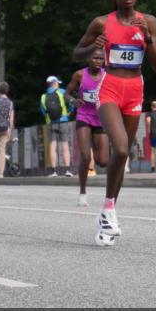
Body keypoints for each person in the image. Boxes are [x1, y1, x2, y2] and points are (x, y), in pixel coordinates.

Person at [73, 0, 156, 245]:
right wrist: (93, 46)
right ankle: (108, 211)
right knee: (122, 147)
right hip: (110, 86)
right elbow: (76, 53)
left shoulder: (149, 22)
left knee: (123, 157)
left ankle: (107, 211)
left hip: (135, 88)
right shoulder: (102, 22)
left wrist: (148, 40)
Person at [67, 50, 109, 206]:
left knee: (103, 161)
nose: (98, 61)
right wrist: (72, 101)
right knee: (86, 157)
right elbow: (67, 93)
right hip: (84, 117)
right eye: (95, 58)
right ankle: (83, 193)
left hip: (101, 118)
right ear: (88, 59)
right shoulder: (79, 75)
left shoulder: (107, 75)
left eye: (101, 58)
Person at [40, 76, 74, 178]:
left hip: (51, 123)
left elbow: (43, 112)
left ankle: (53, 171)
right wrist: (69, 113)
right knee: (65, 145)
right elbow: (71, 103)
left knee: (52, 146)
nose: (58, 84)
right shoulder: (62, 92)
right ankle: (67, 170)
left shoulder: (43, 96)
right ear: (54, 83)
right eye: (57, 83)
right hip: (63, 121)